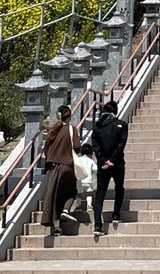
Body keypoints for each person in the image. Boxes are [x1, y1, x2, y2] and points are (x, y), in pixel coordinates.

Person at [40, 103, 81, 240]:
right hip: (67, 166)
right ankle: (65, 210)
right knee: (71, 192)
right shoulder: (72, 130)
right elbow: (77, 147)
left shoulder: (53, 131)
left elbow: (46, 150)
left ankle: (56, 227)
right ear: (69, 116)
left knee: (54, 196)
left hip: (53, 168)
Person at [89, 98, 128, 240]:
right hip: (117, 164)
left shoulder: (97, 127)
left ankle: (98, 225)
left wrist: (103, 161)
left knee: (100, 194)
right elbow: (121, 145)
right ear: (115, 112)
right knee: (119, 188)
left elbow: (95, 146)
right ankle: (116, 214)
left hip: (102, 165)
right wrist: (112, 160)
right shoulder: (122, 125)